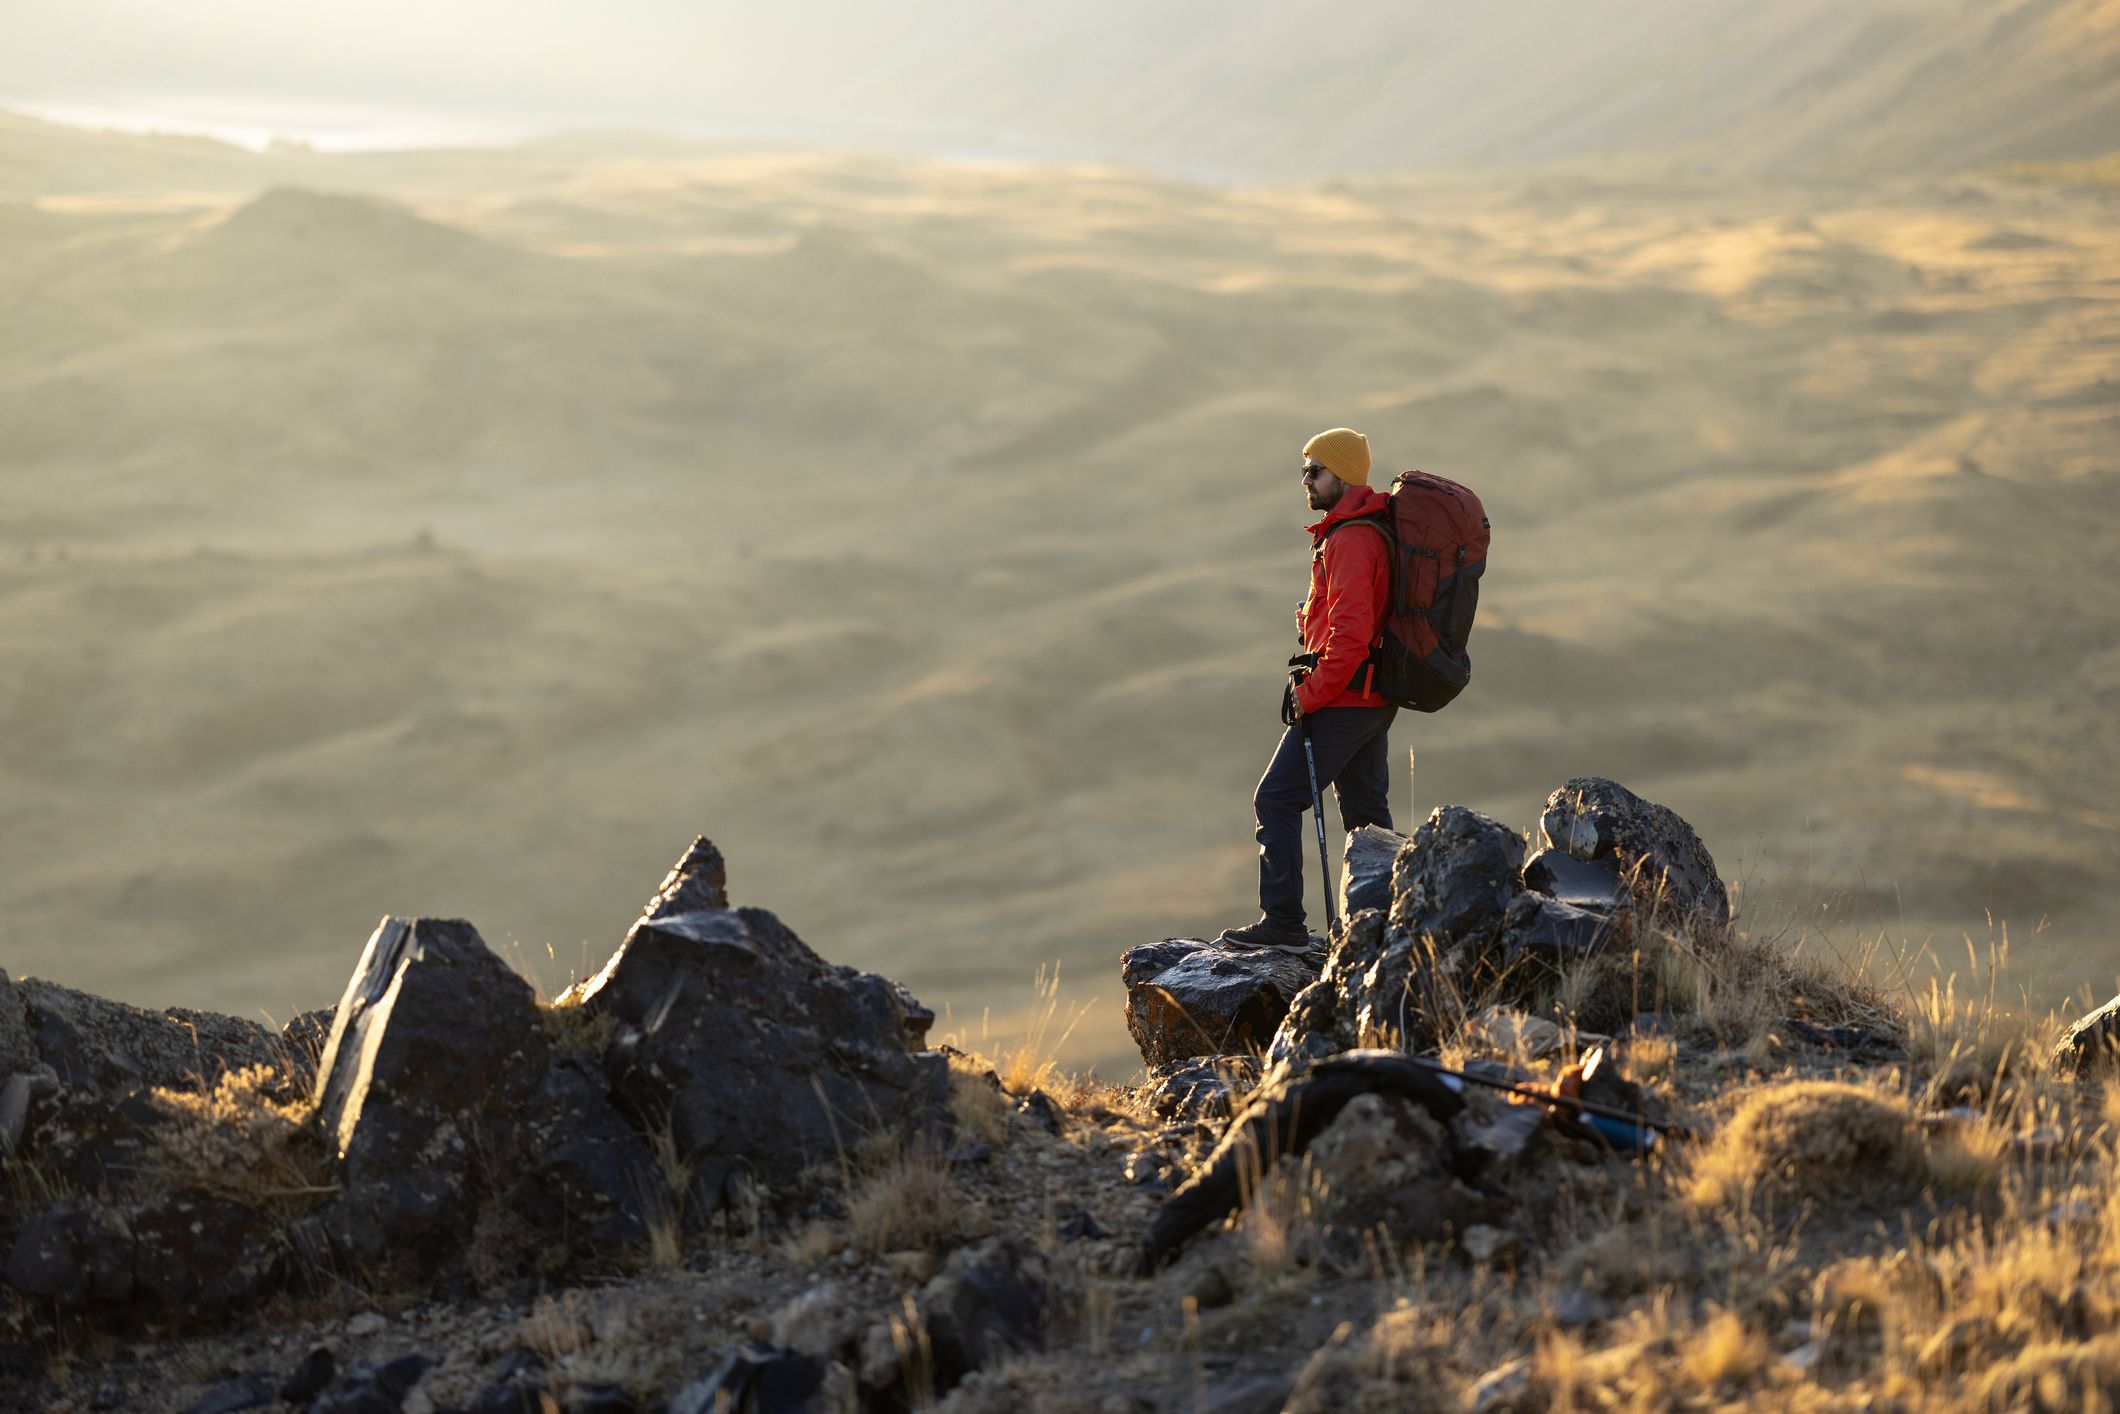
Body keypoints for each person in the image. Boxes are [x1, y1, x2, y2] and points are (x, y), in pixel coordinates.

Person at [1220, 428, 1396, 951]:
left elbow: (1350, 638)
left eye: (1314, 471)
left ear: (1342, 476)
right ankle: (1379, 928)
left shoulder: (1350, 540)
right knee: (1367, 819)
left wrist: (1308, 694)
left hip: (1342, 699)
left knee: (1274, 799)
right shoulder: (1365, 530)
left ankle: (1284, 925)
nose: (1306, 480)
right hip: (1372, 698)